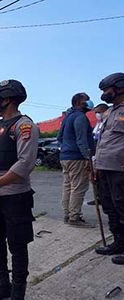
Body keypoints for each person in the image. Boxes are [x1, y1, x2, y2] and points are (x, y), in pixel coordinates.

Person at [0, 79, 39, 300]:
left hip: (14, 196)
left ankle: (18, 291)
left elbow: (25, 164)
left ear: (9, 100)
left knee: (17, 244)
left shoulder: (24, 126)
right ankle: (1, 285)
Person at [93, 72, 124, 265]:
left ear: (120, 88)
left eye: (107, 89)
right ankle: (119, 242)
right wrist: (96, 165)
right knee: (110, 206)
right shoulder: (111, 112)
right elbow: (103, 141)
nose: (104, 93)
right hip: (105, 167)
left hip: (120, 169)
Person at [57, 93, 95, 227]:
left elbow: (59, 137)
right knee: (78, 187)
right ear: (79, 102)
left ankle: (68, 214)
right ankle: (75, 217)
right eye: (87, 99)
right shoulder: (80, 117)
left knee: (68, 186)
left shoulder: (68, 117)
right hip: (77, 157)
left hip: (65, 157)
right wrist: (87, 157)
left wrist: (66, 147)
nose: (90, 102)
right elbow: (81, 139)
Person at [87, 103, 110, 206]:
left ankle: (106, 197)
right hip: (94, 154)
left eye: (99, 112)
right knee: (95, 178)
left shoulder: (108, 122)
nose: (97, 114)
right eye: (95, 112)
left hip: (105, 155)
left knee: (104, 178)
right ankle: (98, 197)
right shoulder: (97, 125)